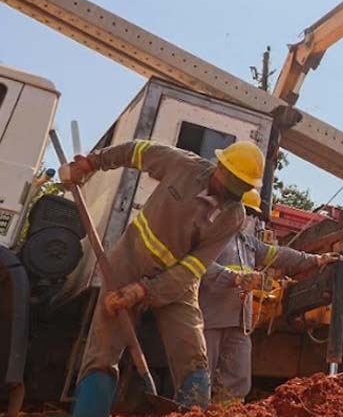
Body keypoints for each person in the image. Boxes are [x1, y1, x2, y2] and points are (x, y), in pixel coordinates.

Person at [60, 139, 265, 417]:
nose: (233, 192)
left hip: (176, 286)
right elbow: (136, 151)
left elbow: (192, 268)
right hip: (127, 265)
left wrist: (145, 291)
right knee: (103, 353)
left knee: (193, 358)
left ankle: (192, 409)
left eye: (241, 188)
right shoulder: (183, 165)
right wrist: (90, 163)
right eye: (232, 183)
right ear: (219, 167)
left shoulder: (233, 216)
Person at [200, 190, 340, 402]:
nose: (249, 219)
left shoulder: (247, 243)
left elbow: (280, 255)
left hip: (239, 323)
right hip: (210, 319)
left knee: (237, 381)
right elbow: (200, 267)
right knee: (201, 377)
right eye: (247, 212)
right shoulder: (211, 236)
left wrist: (316, 260)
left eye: (252, 215)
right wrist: (236, 278)